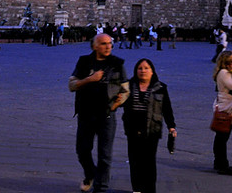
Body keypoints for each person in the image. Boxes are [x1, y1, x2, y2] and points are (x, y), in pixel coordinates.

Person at [69, 33, 128, 193]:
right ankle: (91, 174)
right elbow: (72, 85)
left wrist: (117, 103)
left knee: (105, 154)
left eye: (109, 43)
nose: (108, 46)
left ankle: (101, 188)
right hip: (86, 114)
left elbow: (125, 88)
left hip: (107, 115)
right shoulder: (84, 62)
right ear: (95, 46)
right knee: (82, 150)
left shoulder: (117, 64)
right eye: (103, 43)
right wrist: (90, 79)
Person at [121, 58, 175, 193]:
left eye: (146, 68)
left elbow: (167, 108)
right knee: (134, 161)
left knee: (149, 162)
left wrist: (171, 126)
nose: (143, 71)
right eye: (140, 68)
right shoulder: (128, 85)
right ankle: (137, 189)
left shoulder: (161, 87)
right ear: (136, 71)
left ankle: (150, 189)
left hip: (152, 128)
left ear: (152, 71)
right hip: (132, 128)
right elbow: (118, 102)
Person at [212, 50, 232, 175]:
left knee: (221, 137)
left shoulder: (224, 72)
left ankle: (218, 162)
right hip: (226, 106)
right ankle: (222, 164)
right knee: (222, 137)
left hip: (226, 104)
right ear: (227, 62)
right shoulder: (224, 73)